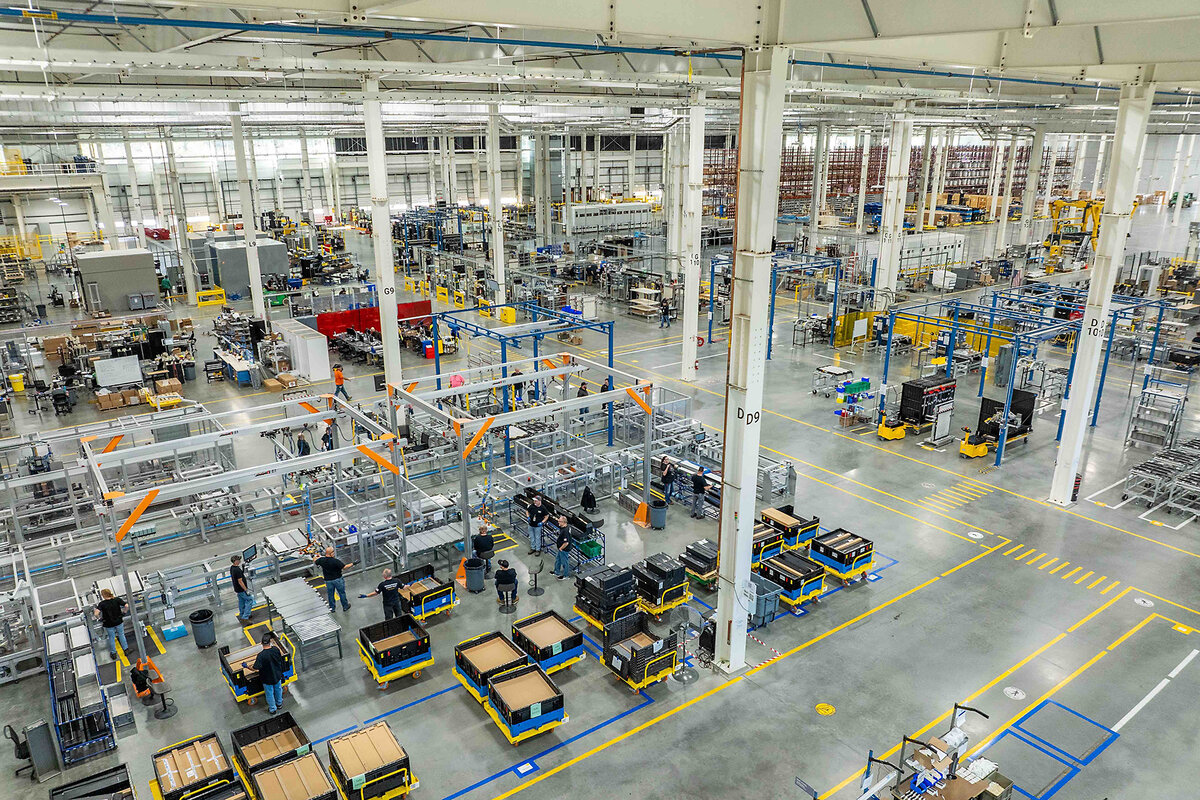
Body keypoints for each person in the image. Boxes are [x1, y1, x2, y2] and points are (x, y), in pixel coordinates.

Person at [252, 632, 287, 715]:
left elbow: (256, 667)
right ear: (270, 642)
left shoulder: (261, 655)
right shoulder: (275, 650)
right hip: (277, 675)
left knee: (269, 693)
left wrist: (246, 666)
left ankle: (272, 709)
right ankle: (279, 704)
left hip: (267, 678)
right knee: (278, 689)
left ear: (261, 643)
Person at [313, 546, 354, 612]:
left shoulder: (322, 560)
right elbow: (344, 567)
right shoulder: (335, 561)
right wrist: (353, 563)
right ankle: (345, 606)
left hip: (328, 581)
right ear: (331, 553)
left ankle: (332, 608)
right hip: (338, 580)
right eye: (333, 552)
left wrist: (318, 556)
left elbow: (315, 560)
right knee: (341, 593)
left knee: (330, 594)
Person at [93, 589, 128, 660]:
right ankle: (126, 650)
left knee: (112, 637)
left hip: (108, 623)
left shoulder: (102, 604)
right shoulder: (117, 599)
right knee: (121, 635)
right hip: (118, 621)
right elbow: (126, 605)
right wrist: (124, 613)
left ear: (103, 595)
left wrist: (99, 619)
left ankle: (113, 653)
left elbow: (96, 613)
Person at [231, 554, 254, 624]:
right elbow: (240, 581)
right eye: (238, 560)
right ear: (235, 561)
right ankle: (245, 617)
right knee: (250, 600)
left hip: (237, 589)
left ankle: (242, 615)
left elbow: (240, 574)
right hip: (241, 589)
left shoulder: (232, 568)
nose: (240, 561)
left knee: (242, 602)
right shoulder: (237, 570)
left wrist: (243, 567)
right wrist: (246, 590)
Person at [553, 516, 572, 580]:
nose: (558, 522)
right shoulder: (565, 527)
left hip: (564, 549)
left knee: (564, 562)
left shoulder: (565, 531)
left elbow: (566, 543)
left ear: (563, 522)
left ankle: (566, 576)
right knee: (558, 560)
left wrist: (561, 548)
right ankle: (556, 572)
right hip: (561, 548)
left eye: (559, 521)